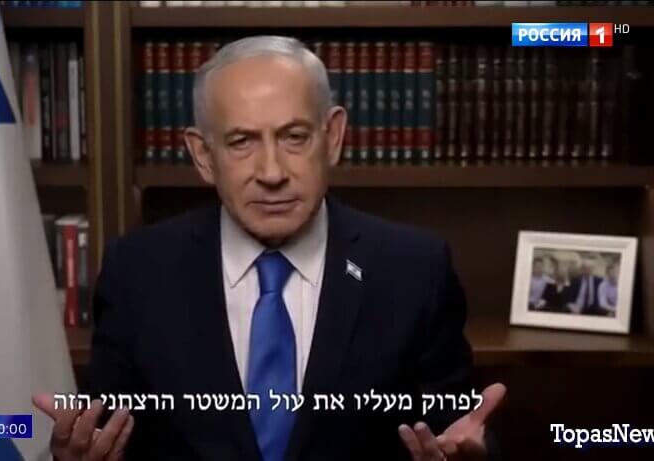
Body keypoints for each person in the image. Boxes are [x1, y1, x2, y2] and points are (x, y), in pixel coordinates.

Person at [33, 36, 506, 461]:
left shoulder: (414, 270)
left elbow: (460, 433)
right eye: (242, 142)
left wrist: (473, 456)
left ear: (333, 137)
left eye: (294, 137)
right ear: (203, 156)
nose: (272, 172)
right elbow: (104, 436)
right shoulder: (137, 273)